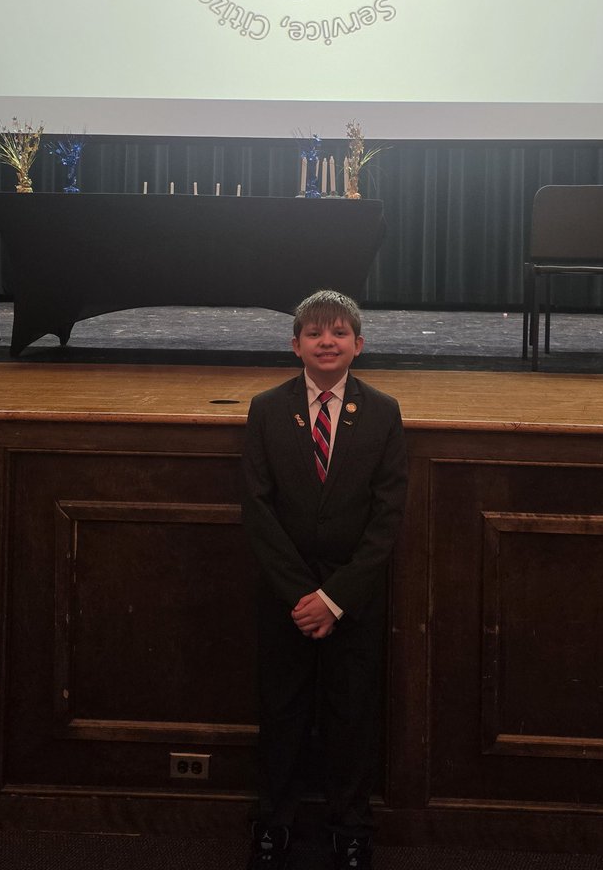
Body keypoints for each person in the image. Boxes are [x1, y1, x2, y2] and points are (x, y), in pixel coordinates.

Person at [240, 289, 408, 870]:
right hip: (284, 600)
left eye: (339, 333)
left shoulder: (383, 412)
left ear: (359, 344)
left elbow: (387, 519)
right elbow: (258, 511)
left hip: (352, 600)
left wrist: (334, 599)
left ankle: (352, 827)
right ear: (295, 346)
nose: (327, 342)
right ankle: (273, 822)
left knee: (351, 716)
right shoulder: (265, 409)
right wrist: (300, 596)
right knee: (281, 713)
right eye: (315, 334)